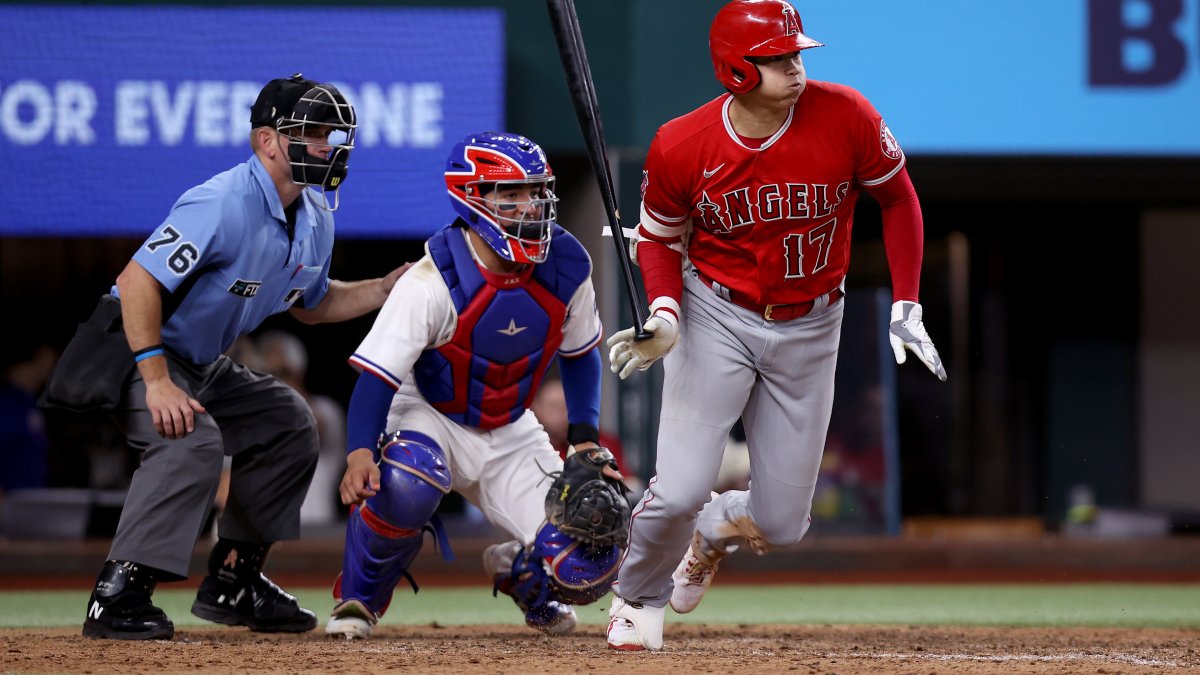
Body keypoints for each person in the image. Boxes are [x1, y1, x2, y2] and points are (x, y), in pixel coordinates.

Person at [604, 0, 947, 651]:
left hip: (814, 323)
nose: (796, 65)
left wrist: (908, 303)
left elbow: (898, 197)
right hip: (717, 314)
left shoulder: (846, 113)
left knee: (783, 523)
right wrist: (666, 313)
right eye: (779, 57)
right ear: (737, 70)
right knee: (676, 489)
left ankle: (713, 529)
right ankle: (636, 598)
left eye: (797, 53)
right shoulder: (681, 143)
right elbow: (658, 240)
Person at [40, 73, 409, 641]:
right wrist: (158, 380)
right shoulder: (222, 200)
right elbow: (137, 283)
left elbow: (312, 303)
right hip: (135, 347)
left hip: (200, 358)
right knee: (190, 437)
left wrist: (383, 288)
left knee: (289, 422)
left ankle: (235, 581)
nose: (328, 146)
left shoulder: (316, 215)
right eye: (312, 133)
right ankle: (118, 593)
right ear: (267, 141)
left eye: (332, 134)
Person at [325, 131, 627, 640]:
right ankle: (358, 600)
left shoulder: (567, 265)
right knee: (407, 482)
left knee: (591, 554)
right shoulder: (431, 280)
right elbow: (378, 378)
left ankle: (521, 575)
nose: (529, 206)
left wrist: (585, 438)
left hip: (511, 426)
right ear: (472, 198)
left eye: (536, 192)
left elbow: (579, 357)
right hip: (431, 414)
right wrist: (359, 452)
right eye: (511, 195)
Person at [256, 329, 347, 528]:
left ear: (296, 373)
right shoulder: (255, 417)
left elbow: (314, 427)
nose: (270, 378)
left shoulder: (326, 409)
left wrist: (283, 374)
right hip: (265, 533)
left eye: (278, 373)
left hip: (315, 529)